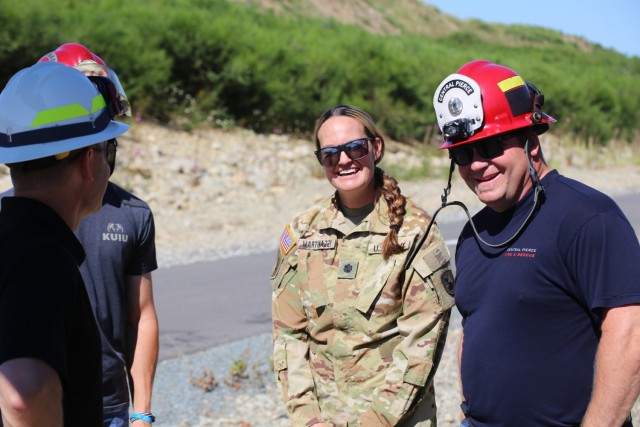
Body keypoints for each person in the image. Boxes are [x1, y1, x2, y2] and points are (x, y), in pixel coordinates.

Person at [431, 59, 640, 426]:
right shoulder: (472, 233)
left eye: (492, 145)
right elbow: (477, 327)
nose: (477, 165)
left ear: (531, 141)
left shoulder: (587, 217)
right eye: (463, 153)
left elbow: (630, 333)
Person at [270, 104, 455, 426]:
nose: (343, 161)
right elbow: (289, 336)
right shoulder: (303, 231)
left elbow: (421, 348)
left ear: (376, 147)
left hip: (397, 418)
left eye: (354, 148)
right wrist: (307, 419)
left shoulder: (416, 233)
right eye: (330, 154)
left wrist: (375, 421)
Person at [0, 61, 129, 425]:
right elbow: (24, 394)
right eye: (110, 150)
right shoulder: (41, 259)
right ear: (90, 161)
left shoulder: (11, 241)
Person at [40, 43, 159, 427]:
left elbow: (140, 316)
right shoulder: (12, 214)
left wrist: (141, 411)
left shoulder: (133, 213)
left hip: (107, 407)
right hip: (32, 402)